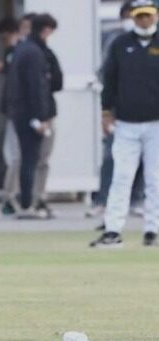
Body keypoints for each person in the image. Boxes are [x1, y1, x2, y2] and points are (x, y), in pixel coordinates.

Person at [91, 0, 159, 248]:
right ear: (133, 17)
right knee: (121, 176)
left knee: (155, 178)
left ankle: (153, 229)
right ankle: (113, 229)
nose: (144, 20)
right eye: (140, 16)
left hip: (156, 123)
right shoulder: (120, 44)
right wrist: (106, 111)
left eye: (148, 16)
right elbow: (109, 80)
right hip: (127, 123)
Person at [88, 0, 145, 221]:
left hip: (148, 112)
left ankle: (137, 199)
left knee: (145, 160)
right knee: (113, 157)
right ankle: (102, 200)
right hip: (122, 112)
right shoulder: (116, 42)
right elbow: (107, 76)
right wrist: (107, 110)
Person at [5, 13, 60, 219]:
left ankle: (27, 202)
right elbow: (36, 88)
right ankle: (27, 204)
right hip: (31, 115)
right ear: (44, 30)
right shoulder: (35, 53)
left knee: (28, 159)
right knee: (30, 159)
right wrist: (41, 117)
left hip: (21, 113)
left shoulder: (22, 49)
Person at [0, 17, 22, 215]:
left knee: (13, 155)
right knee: (10, 153)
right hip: (12, 109)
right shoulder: (12, 52)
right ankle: (11, 193)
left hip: (18, 110)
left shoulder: (19, 52)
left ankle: (11, 194)